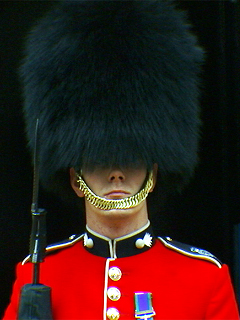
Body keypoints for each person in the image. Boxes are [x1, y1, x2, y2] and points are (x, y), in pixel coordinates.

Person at [3, 1, 239, 319]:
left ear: (153, 175)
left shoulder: (205, 278)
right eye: (100, 161)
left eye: (130, 159)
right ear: (76, 179)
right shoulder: (39, 273)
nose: (116, 173)